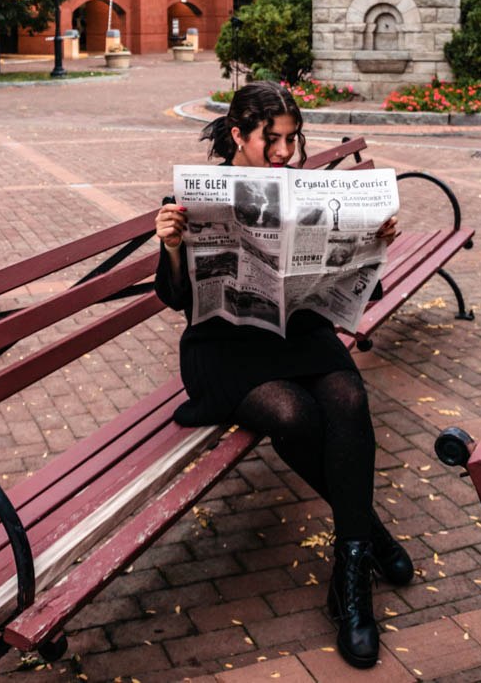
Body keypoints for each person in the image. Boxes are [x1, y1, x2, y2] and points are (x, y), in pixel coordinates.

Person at [154, 81, 411, 671]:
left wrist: (374, 241)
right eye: (272, 140)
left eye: (293, 140)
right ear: (237, 135)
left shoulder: (306, 187)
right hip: (223, 347)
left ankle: (351, 580)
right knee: (291, 412)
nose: (285, 152)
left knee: (347, 394)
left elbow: (352, 283)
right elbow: (175, 299)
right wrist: (170, 246)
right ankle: (371, 535)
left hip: (295, 332)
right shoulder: (197, 195)